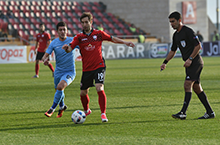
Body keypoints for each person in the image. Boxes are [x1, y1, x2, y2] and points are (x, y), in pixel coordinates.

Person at [62, 12, 135, 122]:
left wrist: (125, 42)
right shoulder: (79, 37)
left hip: (99, 65)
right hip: (87, 68)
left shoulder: (98, 34)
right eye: (82, 23)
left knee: (99, 88)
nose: (85, 24)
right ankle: (86, 110)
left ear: (91, 22)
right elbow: (70, 48)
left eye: (86, 22)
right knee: (83, 93)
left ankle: (103, 114)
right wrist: (66, 48)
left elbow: (112, 38)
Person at [160, 11, 215, 120]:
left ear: (179, 21)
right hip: (190, 64)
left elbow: (198, 46)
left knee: (187, 84)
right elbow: (173, 51)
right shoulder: (176, 35)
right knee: (196, 88)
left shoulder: (188, 31)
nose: (171, 24)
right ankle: (210, 112)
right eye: (170, 22)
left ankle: (183, 113)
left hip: (195, 62)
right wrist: (165, 62)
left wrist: (190, 59)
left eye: (173, 21)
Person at [43, 21, 78, 118]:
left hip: (70, 71)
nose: (63, 31)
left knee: (60, 86)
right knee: (58, 90)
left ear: (67, 30)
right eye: (60, 30)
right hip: (58, 72)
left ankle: (52, 109)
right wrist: (45, 60)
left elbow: (83, 48)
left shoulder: (72, 40)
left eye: (64, 29)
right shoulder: (54, 43)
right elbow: (45, 56)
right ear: (57, 32)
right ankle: (62, 106)